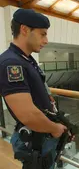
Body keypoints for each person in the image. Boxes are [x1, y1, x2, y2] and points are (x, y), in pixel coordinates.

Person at [0, 9, 68, 169]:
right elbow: (28, 114)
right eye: (42, 34)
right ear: (24, 30)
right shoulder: (12, 64)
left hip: (42, 136)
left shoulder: (26, 60)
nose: (46, 40)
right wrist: (55, 128)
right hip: (35, 141)